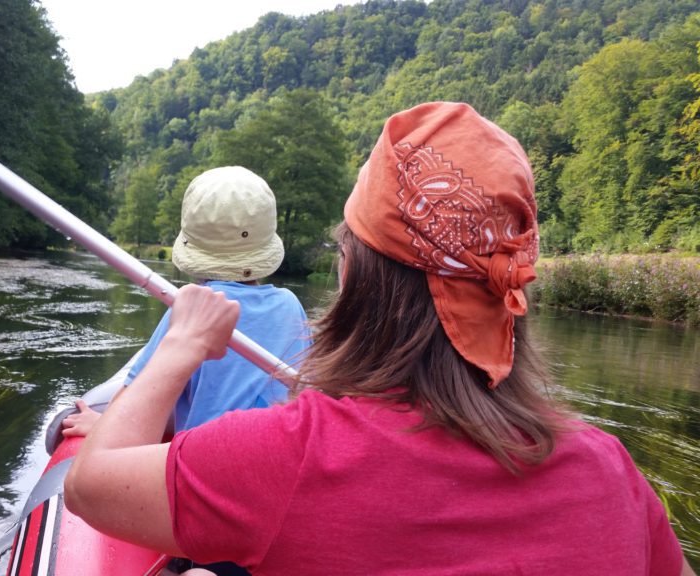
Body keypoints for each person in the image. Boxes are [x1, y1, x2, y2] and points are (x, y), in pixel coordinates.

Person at [64, 102, 695, 575]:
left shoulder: (290, 457)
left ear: (356, 276)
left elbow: (90, 487)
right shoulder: (613, 471)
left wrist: (179, 346)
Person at [62, 165, 310, 437]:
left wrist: (99, 423)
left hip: (201, 463)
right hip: (272, 458)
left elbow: (128, 407)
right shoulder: (291, 305)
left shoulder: (188, 313)